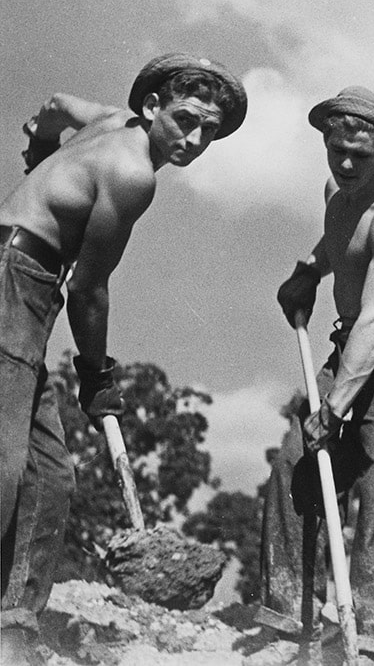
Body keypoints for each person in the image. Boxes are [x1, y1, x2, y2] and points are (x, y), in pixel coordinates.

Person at [0, 54, 247, 664]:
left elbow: (56, 99)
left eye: (208, 130)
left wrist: (38, 154)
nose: (193, 139)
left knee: (49, 473)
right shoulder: (134, 173)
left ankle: (14, 627)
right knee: (4, 465)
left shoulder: (109, 120)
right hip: (15, 281)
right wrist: (95, 373)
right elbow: (89, 287)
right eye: (184, 119)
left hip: (26, 287)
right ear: (153, 106)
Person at [259, 86, 374, 666]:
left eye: (359, 156)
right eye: (336, 150)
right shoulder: (335, 193)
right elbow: (338, 243)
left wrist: (335, 405)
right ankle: (286, 621)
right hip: (354, 342)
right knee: (295, 462)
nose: (345, 164)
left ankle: (373, 645)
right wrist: (308, 272)